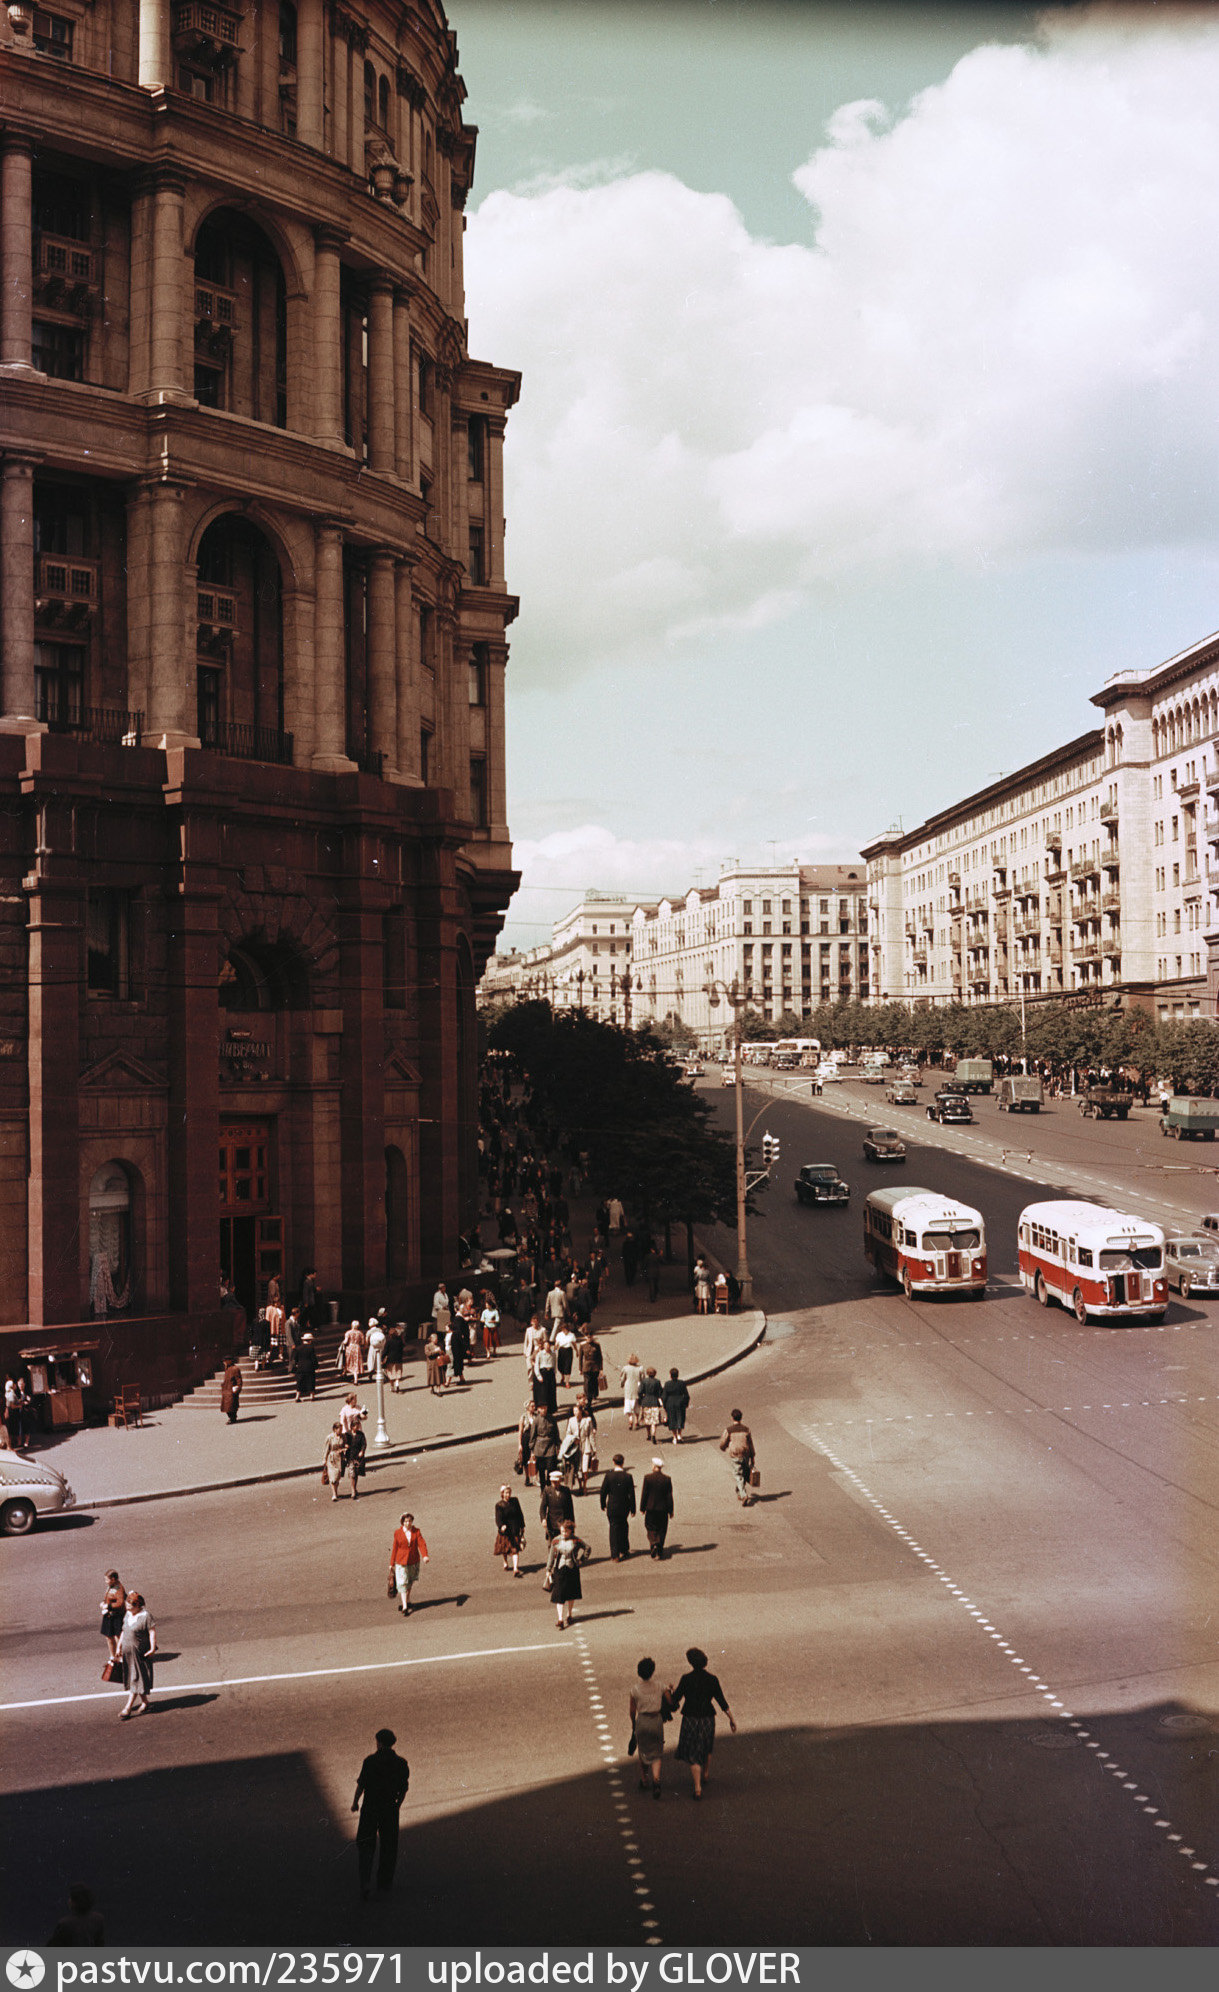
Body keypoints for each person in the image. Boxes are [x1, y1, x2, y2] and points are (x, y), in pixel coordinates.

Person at [351, 1728, 411, 1900]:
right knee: (389, 1846)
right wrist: (397, 1805)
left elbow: (362, 1785)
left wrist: (355, 1803)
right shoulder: (401, 1763)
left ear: (379, 1742)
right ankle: (384, 1883)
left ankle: (365, 1882)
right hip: (389, 1809)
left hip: (371, 1807)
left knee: (366, 1844)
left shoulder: (370, 1761)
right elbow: (403, 1789)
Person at [670, 1646, 736, 1799]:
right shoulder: (712, 1679)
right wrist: (731, 1718)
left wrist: (672, 1690)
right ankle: (705, 1773)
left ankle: (697, 1788)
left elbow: (675, 1700)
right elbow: (721, 1701)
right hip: (708, 1718)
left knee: (693, 1753)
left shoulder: (686, 1679)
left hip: (691, 1719)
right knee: (706, 1746)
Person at [630, 1657, 669, 1799]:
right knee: (657, 1752)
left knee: (643, 1751)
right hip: (656, 1721)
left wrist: (633, 1725)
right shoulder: (660, 1686)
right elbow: (670, 1701)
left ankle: (644, 1779)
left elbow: (632, 1711)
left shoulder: (634, 1690)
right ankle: (656, 1779)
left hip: (642, 1721)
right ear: (652, 1671)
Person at [545, 1518, 590, 1630]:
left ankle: (569, 1615)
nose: (563, 1534)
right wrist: (548, 1569)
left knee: (571, 1594)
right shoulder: (555, 1541)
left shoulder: (576, 1541)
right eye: (562, 1531)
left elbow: (587, 1548)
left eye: (565, 1531)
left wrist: (581, 1560)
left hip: (572, 1569)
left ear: (570, 1531)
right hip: (559, 1570)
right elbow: (551, 1555)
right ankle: (560, 1619)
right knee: (559, 1594)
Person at [117, 1591, 156, 1719]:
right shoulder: (128, 1615)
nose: (127, 1607)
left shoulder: (146, 1616)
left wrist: (152, 1648)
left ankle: (127, 1708)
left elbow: (152, 1632)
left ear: (138, 1606)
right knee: (136, 1678)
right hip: (128, 1654)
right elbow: (124, 1631)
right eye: (127, 1604)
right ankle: (145, 1702)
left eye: (130, 1605)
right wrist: (119, 1646)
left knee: (135, 1679)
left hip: (139, 1654)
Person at [389, 1512, 429, 1615]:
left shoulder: (416, 1531)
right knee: (402, 1583)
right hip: (401, 1561)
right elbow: (395, 1548)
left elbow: (421, 1543)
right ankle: (405, 1607)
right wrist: (391, 1562)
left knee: (410, 1581)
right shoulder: (397, 1533)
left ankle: (407, 1600)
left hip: (413, 1561)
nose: (408, 1523)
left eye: (409, 1521)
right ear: (402, 1522)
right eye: (406, 1521)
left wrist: (425, 1555)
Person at [600, 1452, 636, 1561]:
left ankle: (615, 1554)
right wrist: (633, 1509)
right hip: (624, 1507)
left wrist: (602, 1504)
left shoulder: (609, 1476)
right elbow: (632, 1494)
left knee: (613, 1529)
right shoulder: (628, 1477)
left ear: (613, 1462)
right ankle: (624, 1549)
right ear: (623, 1463)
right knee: (624, 1527)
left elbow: (603, 1492)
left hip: (612, 1507)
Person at [719, 1409, 756, 1504]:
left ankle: (744, 1495)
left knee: (738, 1475)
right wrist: (752, 1457)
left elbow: (723, 1442)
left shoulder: (729, 1430)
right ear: (741, 1418)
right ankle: (739, 1492)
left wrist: (723, 1448)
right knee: (743, 1472)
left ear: (732, 1418)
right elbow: (750, 1443)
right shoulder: (746, 1429)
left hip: (735, 1455)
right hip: (745, 1454)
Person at [640, 1456, 674, 1559]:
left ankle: (654, 1542)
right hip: (663, 1509)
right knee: (662, 1529)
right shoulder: (667, 1479)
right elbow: (669, 1496)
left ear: (654, 1466)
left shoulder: (648, 1478)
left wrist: (642, 1508)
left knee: (650, 1527)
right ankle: (660, 1549)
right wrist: (671, 1510)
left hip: (650, 1508)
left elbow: (644, 1494)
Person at [494, 1484, 526, 1574]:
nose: (508, 1495)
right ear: (502, 1494)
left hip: (514, 1529)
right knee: (504, 1549)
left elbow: (520, 1514)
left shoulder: (515, 1501)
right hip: (505, 1531)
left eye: (509, 1492)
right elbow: (498, 1518)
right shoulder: (499, 1505)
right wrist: (501, 1526)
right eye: (506, 1493)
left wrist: (522, 1526)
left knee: (515, 1549)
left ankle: (515, 1568)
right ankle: (505, 1562)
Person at [99, 1570, 126, 1665]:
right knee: (109, 1636)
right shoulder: (110, 1587)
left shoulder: (119, 1589)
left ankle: (121, 1658)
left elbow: (120, 1603)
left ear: (113, 1579)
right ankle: (112, 1657)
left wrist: (108, 1606)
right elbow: (108, 1598)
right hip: (109, 1615)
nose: (106, 1581)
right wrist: (104, 1602)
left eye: (107, 1579)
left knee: (118, 1637)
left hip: (116, 1616)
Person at [539, 1469, 574, 1541]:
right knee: (552, 1546)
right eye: (553, 1482)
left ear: (560, 1480)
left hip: (564, 1524)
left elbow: (570, 1509)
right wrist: (543, 1519)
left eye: (556, 1481)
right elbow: (543, 1507)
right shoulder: (547, 1491)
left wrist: (572, 1525)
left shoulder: (566, 1490)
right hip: (552, 1525)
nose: (554, 1483)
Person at [661, 1367, 690, 1444]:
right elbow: (686, 1395)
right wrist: (686, 1403)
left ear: (670, 1375)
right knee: (680, 1418)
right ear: (678, 1375)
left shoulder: (667, 1384)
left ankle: (674, 1437)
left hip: (670, 1403)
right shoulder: (682, 1383)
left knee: (672, 1420)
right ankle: (679, 1435)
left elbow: (664, 1396)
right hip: (680, 1402)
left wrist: (664, 1405)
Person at [637, 1365, 664, 1444]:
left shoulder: (644, 1381)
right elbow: (660, 1392)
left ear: (647, 1373)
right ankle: (653, 1434)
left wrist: (641, 1398)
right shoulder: (657, 1381)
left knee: (647, 1420)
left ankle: (648, 1434)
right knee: (654, 1421)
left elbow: (639, 1391)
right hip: (654, 1401)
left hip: (646, 1402)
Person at [323, 1422, 348, 1501]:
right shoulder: (330, 1437)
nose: (340, 1431)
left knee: (337, 1477)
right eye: (339, 1429)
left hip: (340, 1459)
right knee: (333, 1477)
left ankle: (336, 1492)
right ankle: (334, 1494)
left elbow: (345, 1446)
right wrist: (324, 1459)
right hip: (332, 1458)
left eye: (341, 1429)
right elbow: (326, 1449)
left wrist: (344, 1449)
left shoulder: (343, 1436)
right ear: (335, 1429)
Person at [578, 1330, 603, 1407]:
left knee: (594, 1381)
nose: (589, 1338)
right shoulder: (582, 1345)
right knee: (587, 1383)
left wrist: (601, 1368)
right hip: (586, 1366)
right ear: (585, 1337)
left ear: (592, 1337)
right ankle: (588, 1398)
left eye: (590, 1337)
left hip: (595, 1366)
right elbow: (580, 1358)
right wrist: (580, 1368)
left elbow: (600, 1357)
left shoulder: (597, 1345)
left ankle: (594, 1394)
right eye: (587, 1337)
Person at [340, 1319, 367, 1386]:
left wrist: (342, 1343)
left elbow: (345, 1341)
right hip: (357, 1348)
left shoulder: (348, 1333)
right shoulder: (360, 1333)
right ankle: (355, 1379)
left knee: (348, 1361)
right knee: (356, 1362)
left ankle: (344, 1373)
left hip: (350, 1347)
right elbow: (363, 1343)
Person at [345, 1417, 367, 1500]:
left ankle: (354, 1488)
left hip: (358, 1457)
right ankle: (353, 1491)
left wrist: (362, 1451)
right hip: (350, 1456)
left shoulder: (361, 1434)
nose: (357, 1428)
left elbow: (364, 1444)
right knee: (352, 1474)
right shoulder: (347, 1434)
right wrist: (345, 1446)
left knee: (356, 1473)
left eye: (358, 1426)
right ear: (352, 1426)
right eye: (356, 1426)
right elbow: (344, 1442)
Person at [292, 1332, 317, 1400]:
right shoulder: (311, 1348)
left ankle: (297, 1397)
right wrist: (316, 1366)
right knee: (311, 1381)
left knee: (300, 1382)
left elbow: (295, 1358)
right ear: (310, 1340)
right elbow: (313, 1358)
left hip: (300, 1367)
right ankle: (312, 1396)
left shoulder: (298, 1348)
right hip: (309, 1367)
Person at [382, 1322, 405, 1393]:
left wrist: (382, 1358)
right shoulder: (399, 1341)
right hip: (398, 1359)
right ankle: (397, 1383)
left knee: (390, 1373)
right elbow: (402, 1348)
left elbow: (385, 1351)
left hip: (390, 1359)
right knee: (398, 1371)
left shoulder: (388, 1341)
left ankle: (392, 1386)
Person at [424, 1326, 447, 1393]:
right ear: (432, 1339)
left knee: (439, 1377)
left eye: (437, 1338)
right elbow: (428, 1354)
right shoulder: (427, 1346)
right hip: (431, 1364)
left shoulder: (439, 1345)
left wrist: (441, 1352)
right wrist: (435, 1351)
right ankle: (432, 1388)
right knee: (432, 1377)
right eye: (435, 1338)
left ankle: (438, 1390)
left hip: (439, 1363)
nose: (436, 1340)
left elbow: (443, 1352)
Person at [220, 1358, 243, 1424]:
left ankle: (232, 1418)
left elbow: (239, 1379)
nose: (224, 1362)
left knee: (231, 1405)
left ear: (229, 1361)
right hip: (226, 1389)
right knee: (227, 1405)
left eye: (225, 1361)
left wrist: (238, 1387)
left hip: (231, 1389)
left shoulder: (235, 1369)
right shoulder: (227, 1368)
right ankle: (232, 1417)